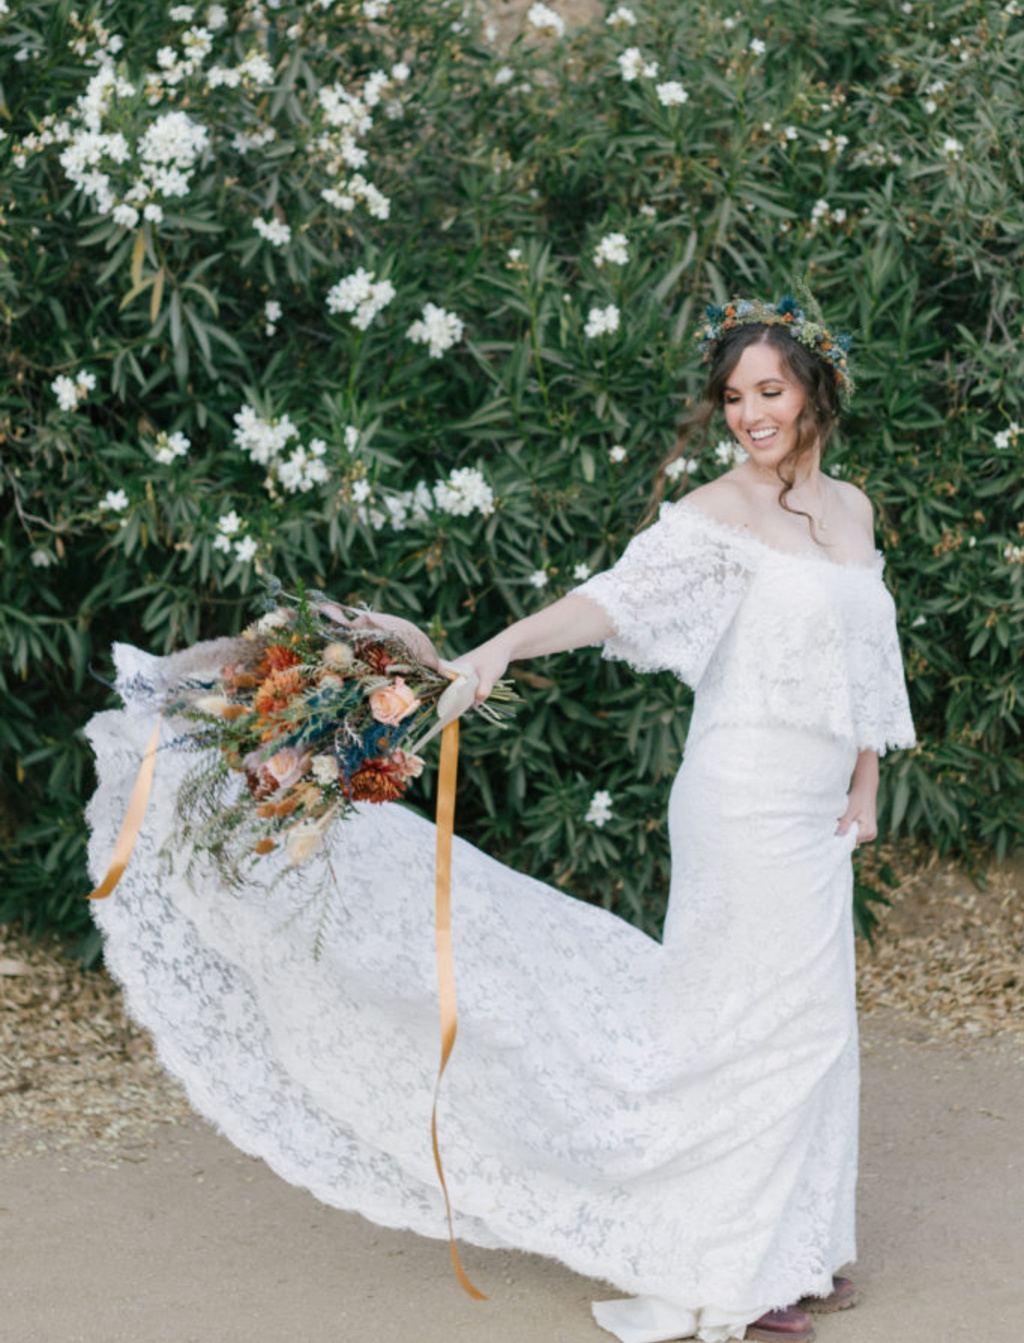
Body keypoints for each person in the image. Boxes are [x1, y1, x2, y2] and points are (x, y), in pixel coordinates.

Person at [85, 296, 915, 1343]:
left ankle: (797, 1243)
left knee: (813, 1020)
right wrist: (498, 651)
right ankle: (728, 1266)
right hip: (741, 795)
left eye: (770, 390)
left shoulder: (851, 507)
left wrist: (866, 779)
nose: (750, 412)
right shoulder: (719, 511)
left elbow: (863, 658)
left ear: (811, 391)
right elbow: (607, 599)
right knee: (742, 1021)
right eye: (734, 396)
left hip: (816, 803)